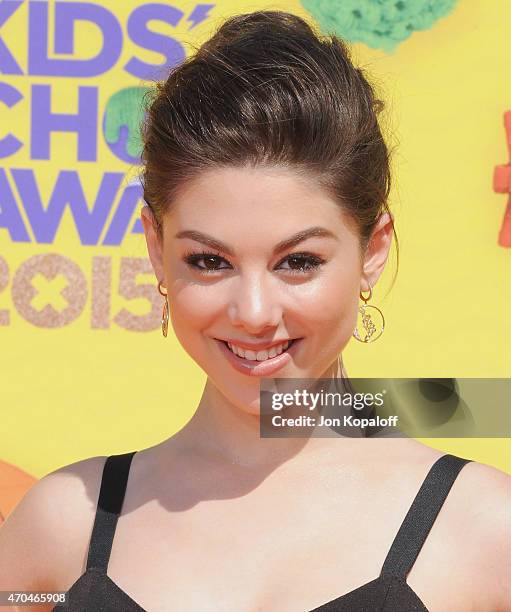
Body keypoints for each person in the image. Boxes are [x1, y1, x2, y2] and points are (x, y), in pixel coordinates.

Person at [1, 10, 510, 612]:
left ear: (372, 250)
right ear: (154, 249)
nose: (254, 312)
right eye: (210, 262)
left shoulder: (484, 532)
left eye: (298, 262)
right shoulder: (62, 526)